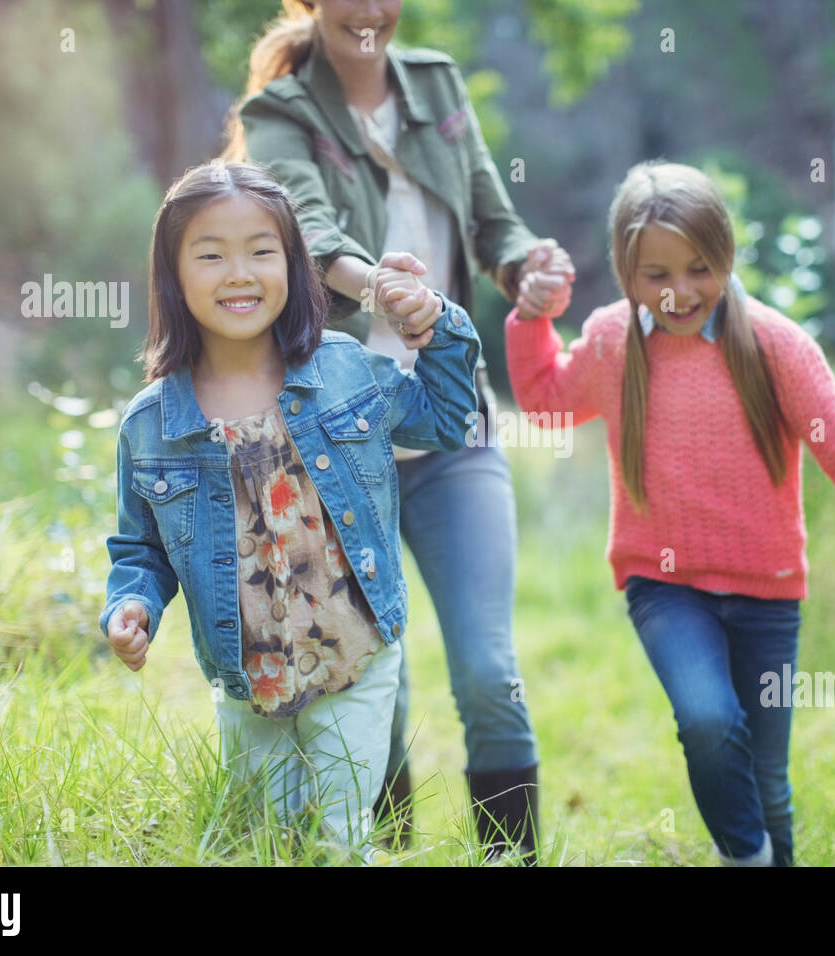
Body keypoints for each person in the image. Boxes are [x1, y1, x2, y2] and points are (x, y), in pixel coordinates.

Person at [504, 160, 835, 866]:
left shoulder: (777, 345)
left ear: (726, 256)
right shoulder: (616, 342)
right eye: (657, 275)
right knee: (708, 719)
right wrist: (532, 319)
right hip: (665, 585)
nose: (680, 292)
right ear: (625, 270)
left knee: (767, 778)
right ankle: (748, 857)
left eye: (699, 268)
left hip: (768, 594)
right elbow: (547, 404)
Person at [222, 0, 575, 861]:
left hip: (452, 427)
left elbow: (494, 221)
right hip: (339, 442)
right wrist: (384, 287)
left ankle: (512, 857)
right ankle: (390, 850)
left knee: (489, 672)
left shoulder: (437, 84)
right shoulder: (280, 112)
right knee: (381, 678)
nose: (370, 9)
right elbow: (303, 229)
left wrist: (531, 268)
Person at [99, 160, 480, 861]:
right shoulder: (151, 423)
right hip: (248, 680)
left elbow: (450, 420)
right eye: (210, 254)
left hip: (355, 652)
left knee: (340, 835)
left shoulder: (343, 369)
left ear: (294, 265)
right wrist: (133, 606)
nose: (238, 272)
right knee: (261, 843)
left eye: (261, 251)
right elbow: (141, 550)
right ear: (173, 277)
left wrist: (436, 321)